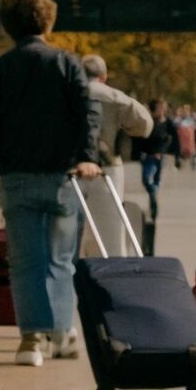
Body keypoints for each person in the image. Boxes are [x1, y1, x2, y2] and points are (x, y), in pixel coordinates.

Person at [0, 0, 103, 368]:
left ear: (8, 25)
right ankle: (62, 333)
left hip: (16, 178)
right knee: (61, 259)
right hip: (62, 176)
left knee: (25, 261)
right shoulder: (67, 63)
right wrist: (87, 157)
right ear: (48, 20)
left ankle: (30, 340)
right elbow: (87, 114)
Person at [80, 55, 155, 250]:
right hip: (107, 169)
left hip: (71, 170)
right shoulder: (114, 96)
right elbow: (145, 124)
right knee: (111, 233)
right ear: (103, 77)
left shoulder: (65, 94)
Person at [138, 97, 173, 212]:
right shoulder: (149, 122)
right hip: (149, 156)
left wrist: (173, 155)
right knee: (146, 179)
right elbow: (142, 139)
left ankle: (153, 198)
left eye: (163, 108)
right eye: (159, 108)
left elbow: (172, 139)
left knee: (157, 179)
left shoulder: (168, 123)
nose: (162, 111)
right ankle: (153, 194)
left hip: (161, 156)